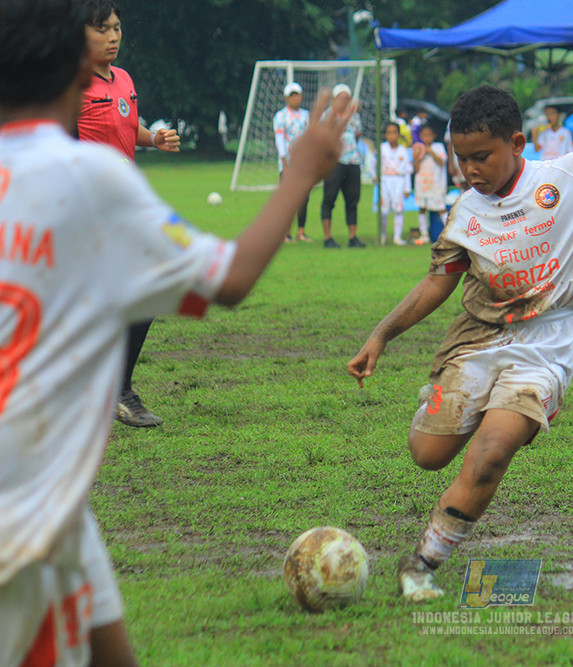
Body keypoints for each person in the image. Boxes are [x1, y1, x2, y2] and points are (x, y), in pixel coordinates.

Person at [0, 1, 355, 663]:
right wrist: (302, 171)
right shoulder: (88, 178)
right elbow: (231, 278)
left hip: (57, 505)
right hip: (23, 511)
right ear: (80, 66)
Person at [347, 44, 573, 603]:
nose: (469, 170)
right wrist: (381, 334)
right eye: (460, 157)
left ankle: (421, 564)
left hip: (548, 343)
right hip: (477, 337)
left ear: (517, 144)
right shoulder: (465, 210)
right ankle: (474, 402)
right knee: (427, 454)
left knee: (491, 453)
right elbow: (436, 283)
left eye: (482, 156)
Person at [77, 0, 180, 429]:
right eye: (102, 29)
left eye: (117, 27)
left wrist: (152, 139)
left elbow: (123, 127)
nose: (113, 36)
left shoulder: (122, 80)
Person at [320, 84, 366, 249]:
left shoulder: (355, 116)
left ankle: (352, 237)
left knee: (352, 200)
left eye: (347, 97)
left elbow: (358, 135)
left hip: (352, 161)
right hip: (334, 163)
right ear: (334, 99)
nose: (344, 100)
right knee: (329, 199)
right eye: (341, 97)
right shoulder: (327, 116)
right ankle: (327, 237)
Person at [274, 81, 313, 243]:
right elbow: (279, 139)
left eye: (297, 95)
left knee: (304, 198)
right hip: (288, 163)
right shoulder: (281, 116)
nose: (295, 98)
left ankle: (301, 231)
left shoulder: (306, 115)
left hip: (303, 163)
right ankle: (285, 232)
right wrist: (284, 162)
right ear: (286, 98)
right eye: (292, 96)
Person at [412, 124, 448, 245]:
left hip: (435, 184)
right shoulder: (418, 148)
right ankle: (424, 235)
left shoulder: (438, 147)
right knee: (422, 208)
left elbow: (442, 162)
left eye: (429, 135)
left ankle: (450, 233)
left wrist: (430, 151)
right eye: (424, 135)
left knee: (440, 208)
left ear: (433, 136)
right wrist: (417, 157)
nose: (426, 138)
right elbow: (415, 168)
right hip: (422, 184)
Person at [380, 121, 413, 246]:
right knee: (384, 210)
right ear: (385, 135)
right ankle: (382, 235)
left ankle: (397, 237)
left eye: (394, 133)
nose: (392, 136)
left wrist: (407, 188)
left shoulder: (403, 150)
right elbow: (374, 163)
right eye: (389, 133)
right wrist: (375, 176)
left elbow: (407, 171)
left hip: (399, 181)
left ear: (399, 134)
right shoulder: (382, 148)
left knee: (398, 209)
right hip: (385, 180)